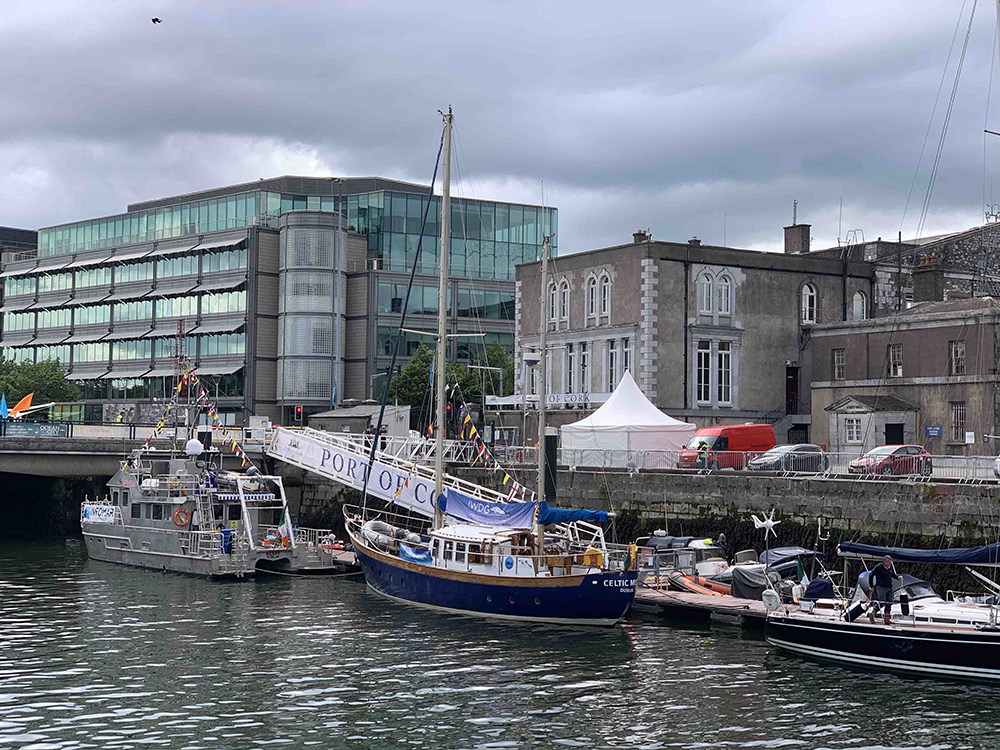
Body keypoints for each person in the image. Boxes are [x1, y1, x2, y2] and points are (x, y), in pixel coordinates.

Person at [868, 554, 903, 624]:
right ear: (884, 562)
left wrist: (897, 577)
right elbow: (871, 575)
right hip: (881, 587)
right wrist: (871, 586)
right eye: (889, 562)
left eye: (890, 562)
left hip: (889, 586)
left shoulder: (890, 567)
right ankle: (872, 613)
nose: (890, 564)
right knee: (882, 602)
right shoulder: (878, 567)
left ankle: (886, 618)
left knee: (889, 602)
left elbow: (892, 574)